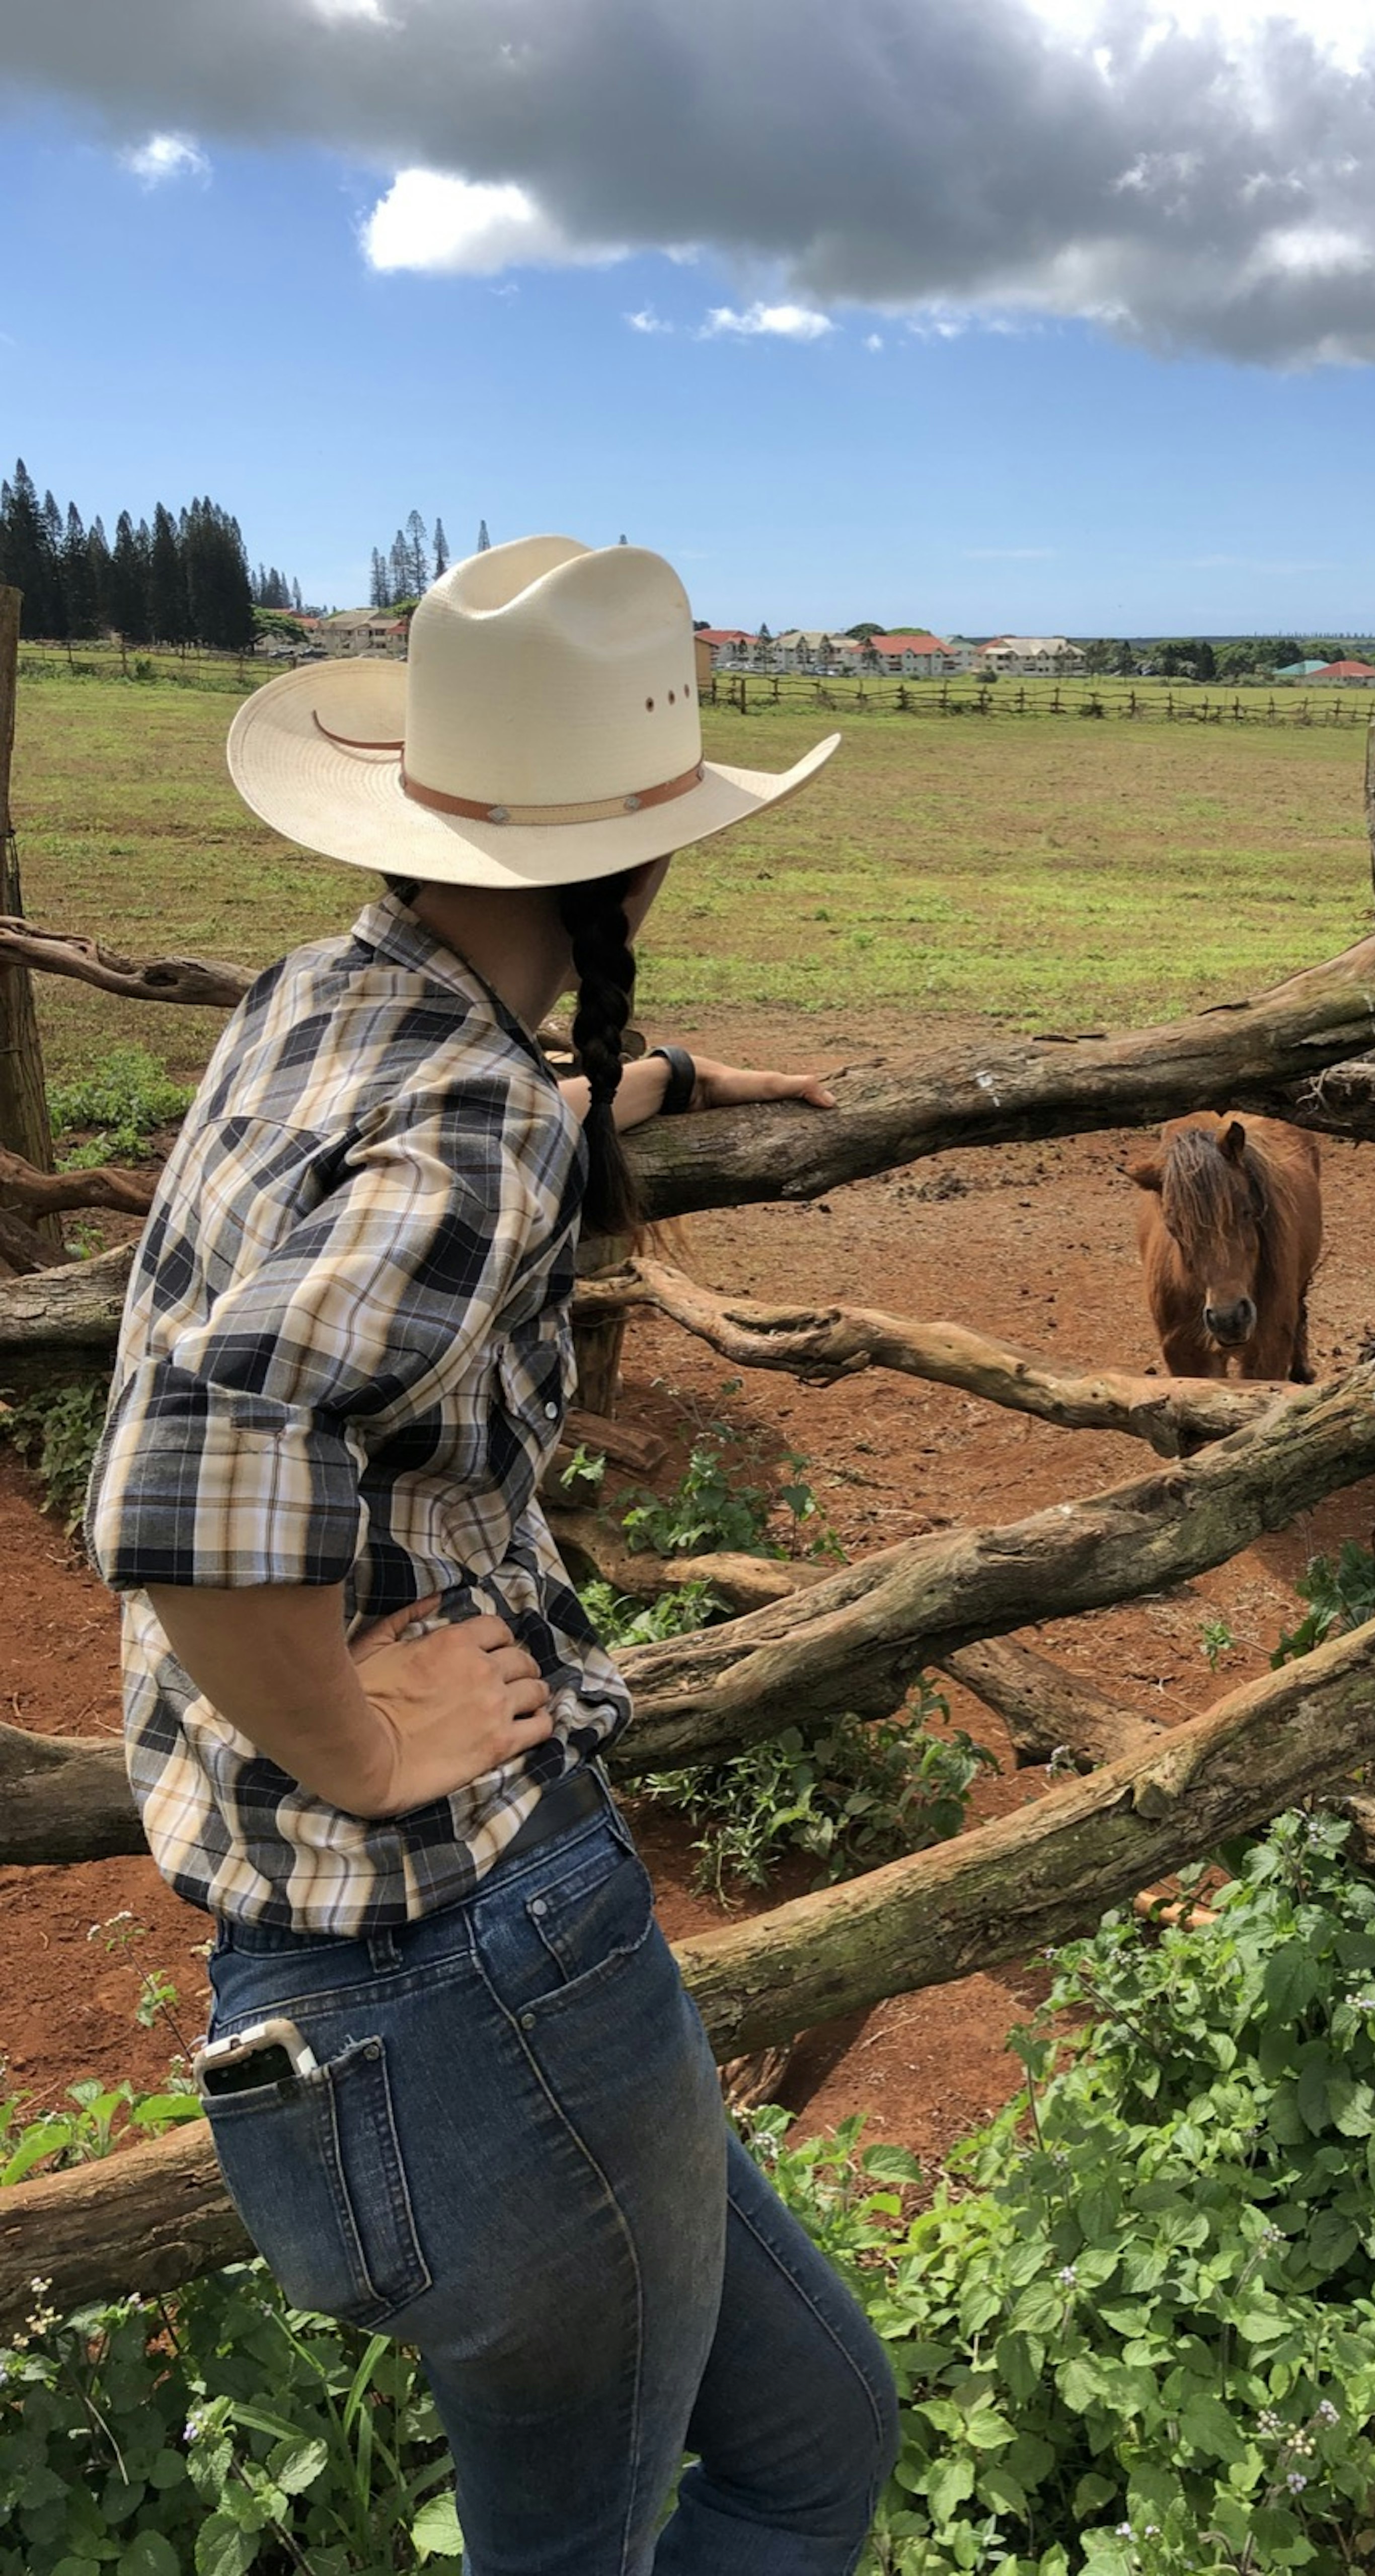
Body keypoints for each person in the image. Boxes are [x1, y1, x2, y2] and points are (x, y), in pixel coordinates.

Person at [86, 536, 900, 2574]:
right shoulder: (477, 1130)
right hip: (472, 1955)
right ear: (638, 865)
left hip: (385, 1986)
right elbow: (195, 1461)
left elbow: (433, 1140)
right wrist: (363, 1736)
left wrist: (664, 1082)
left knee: (818, 2425)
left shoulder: (322, 1000)